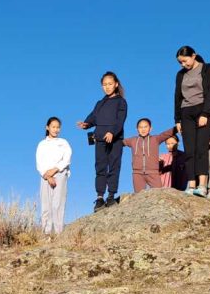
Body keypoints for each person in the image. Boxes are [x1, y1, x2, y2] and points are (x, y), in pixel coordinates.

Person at [78, 72, 128, 210]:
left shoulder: (121, 102)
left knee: (114, 167)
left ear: (116, 84)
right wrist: (86, 124)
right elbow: (93, 117)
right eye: (104, 84)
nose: (107, 87)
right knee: (100, 168)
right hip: (100, 139)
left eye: (110, 84)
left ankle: (111, 195)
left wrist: (112, 132)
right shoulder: (100, 103)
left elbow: (120, 121)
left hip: (115, 139)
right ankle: (100, 197)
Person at [173, 46, 210, 196]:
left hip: (202, 111)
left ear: (193, 56)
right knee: (189, 150)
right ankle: (191, 185)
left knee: (201, 149)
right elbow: (177, 97)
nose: (183, 64)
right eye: (180, 62)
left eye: (185, 61)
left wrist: (205, 113)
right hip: (186, 113)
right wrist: (177, 119)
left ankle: (202, 185)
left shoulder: (207, 68)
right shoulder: (180, 74)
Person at [36, 117, 72, 235]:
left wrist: (55, 169)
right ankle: (46, 233)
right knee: (46, 206)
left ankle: (58, 233)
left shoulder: (63, 142)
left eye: (58, 127)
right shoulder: (42, 144)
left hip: (60, 174)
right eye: (53, 127)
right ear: (47, 127)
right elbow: (39, 162)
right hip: (45, 176)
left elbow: (67, 159)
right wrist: (47, 176)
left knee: (58, 204)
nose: (56, 129)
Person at [123, 119, 175, 192]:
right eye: (140, 127)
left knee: (159, 194)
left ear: (150, 128)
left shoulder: (155, 139)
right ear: (137, 129)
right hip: (137, 174)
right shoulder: (132, 140)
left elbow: (166, 134)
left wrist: (177, 128)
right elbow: (120, 143)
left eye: (145, 127)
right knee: (139, 196)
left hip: (153, 173)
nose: (143, 129)